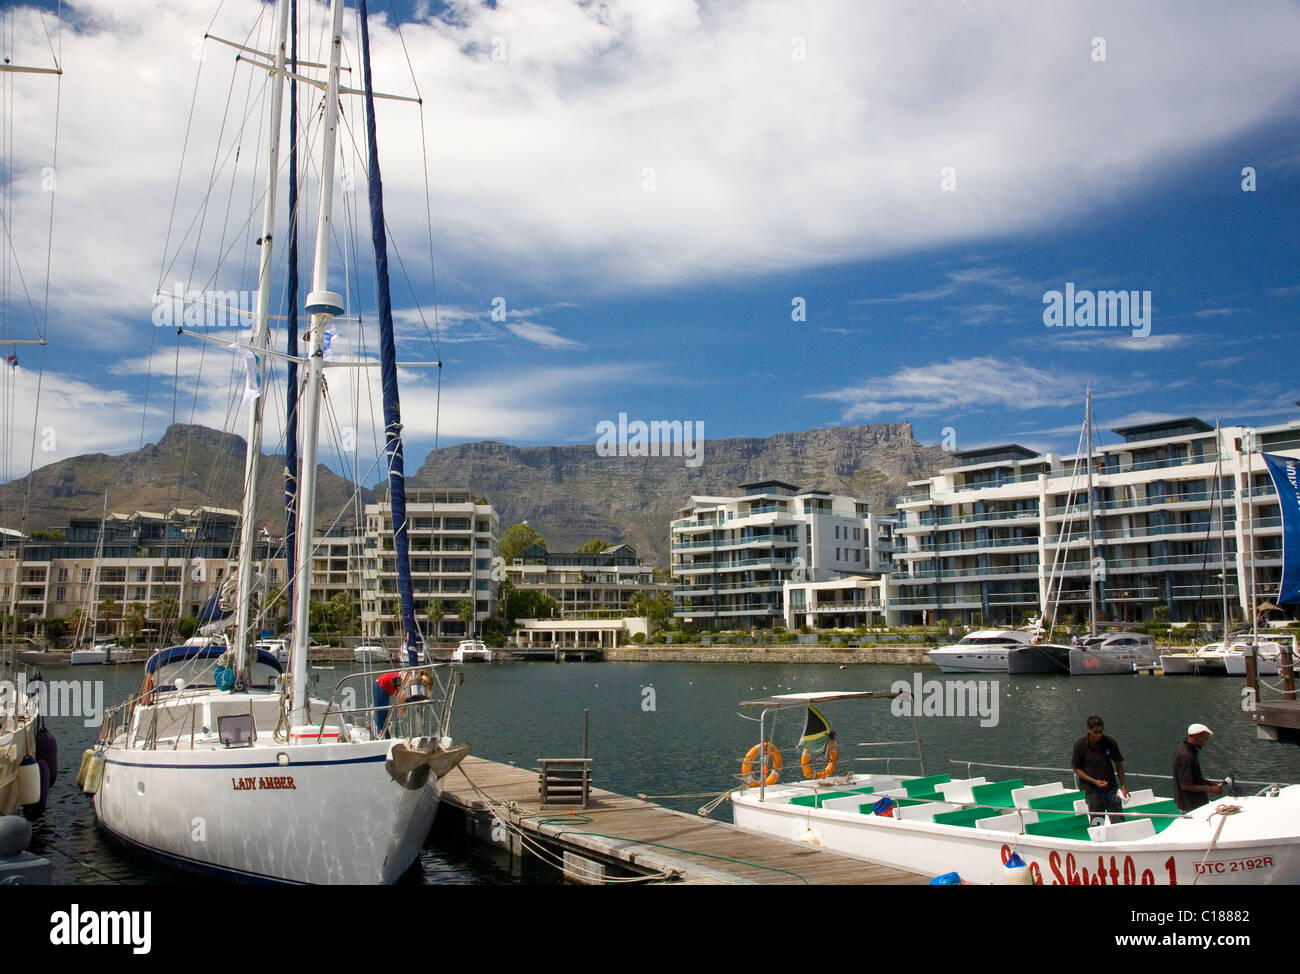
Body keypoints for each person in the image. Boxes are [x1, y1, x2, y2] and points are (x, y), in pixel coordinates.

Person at [1071, 715, 1129, 824]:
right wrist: (1094, 781)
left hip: (1111, 789)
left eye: (1101, 731)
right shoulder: (1080, 746)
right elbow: (1077, 769)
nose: (1099, 735)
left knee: (1119, 821)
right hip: (1093, 792)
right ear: (1089, 730)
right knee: (1097, 823)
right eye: (1096, 732)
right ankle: (1099, 839)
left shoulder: (1109, 742)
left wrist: (1123, 786)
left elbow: (1118, 764)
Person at [1173, 722, 1223, 812]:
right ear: (1196, 737)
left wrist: (1208, 782)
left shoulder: (1185, 749)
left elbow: (1191, 778)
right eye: (1205, 738)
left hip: (1191, 803)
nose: (1206, 741)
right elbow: (1186, 785)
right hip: (1191, 805)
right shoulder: (1186, 755)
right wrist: (1210, 789)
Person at [373, 670, 404, 737]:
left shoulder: (409, 676)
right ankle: (382, 736)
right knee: (382, 716)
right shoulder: (409, 677)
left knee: (384, 716)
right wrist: (401, 710)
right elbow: (400, 696)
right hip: (380, 685)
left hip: (384, 686)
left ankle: (386, 736)